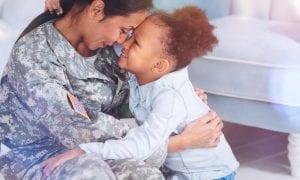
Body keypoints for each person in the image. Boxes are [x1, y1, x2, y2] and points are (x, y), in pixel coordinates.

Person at [0, 0, 223, 179]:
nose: (123, 41)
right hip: (39, 158)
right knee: (89, 174)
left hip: (104, 150)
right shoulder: (34, 55)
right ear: (97, 9)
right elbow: (82, 130)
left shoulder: (111, 49)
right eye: (124, 30)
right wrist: (177, 143)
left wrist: (179, 104)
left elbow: (145, 85)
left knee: (145, 175)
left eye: (130, 34)